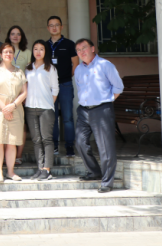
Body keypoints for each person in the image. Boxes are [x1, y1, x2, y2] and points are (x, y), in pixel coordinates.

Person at [74, 39, 124, 193]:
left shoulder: (105, 65)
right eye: (78, 50)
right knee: (80, 142)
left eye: (84, 48)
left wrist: (106, 101)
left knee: (105, 147)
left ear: (92, 48)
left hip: (101, 109)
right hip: (83, 110)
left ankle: (107, 182)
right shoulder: (78, 69)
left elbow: (118, 87)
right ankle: (94, 171)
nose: (81, 52)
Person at [0, 43, 27, 182]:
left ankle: (10, 171)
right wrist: (5, 108)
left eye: (10, 52)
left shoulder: (19, 71)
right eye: (5, 52)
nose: (8, 54)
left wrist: (13, 106)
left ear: (13, 54)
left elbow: (24, 92)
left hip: (15, 110)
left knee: (11, 142)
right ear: (0, 54)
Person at [24, 40, 59, 181]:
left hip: (46, 109)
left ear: (46, 51)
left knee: (47, 139)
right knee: (36, 140)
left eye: (41, 49)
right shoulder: (28, 68)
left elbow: (55, 89)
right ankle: (40, 168)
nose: (38, 52)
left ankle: (47, 170)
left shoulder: (50, 68)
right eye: (35, 49)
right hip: (30, 108)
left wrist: (49, 103)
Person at [47, 16, 79, 157]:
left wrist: (67, 77)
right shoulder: (45, 45)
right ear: (48, 28)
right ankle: (54, 145)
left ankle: (69, 146)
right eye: (51, 25)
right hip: (49, 86)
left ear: (61, 27)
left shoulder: (69, 44)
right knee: (52, 117)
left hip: (65, 84)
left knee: (68, 117)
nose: (54, 28)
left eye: (57, 25)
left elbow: (75, 64)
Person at [5, 24, 30, 165]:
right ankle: (7, 155)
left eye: (18, 34)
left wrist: (26, 93)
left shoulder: (27, 52)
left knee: (22, 125)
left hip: (22, 93)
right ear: (9, 36)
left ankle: (18, 155)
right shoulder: (4, 51)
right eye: (13, 33)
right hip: (6, 94)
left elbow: (30, 73)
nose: (15, 36)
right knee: (6, 124)